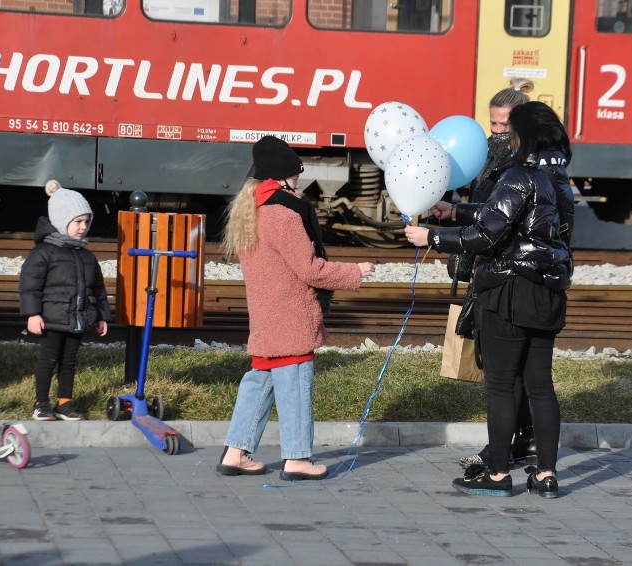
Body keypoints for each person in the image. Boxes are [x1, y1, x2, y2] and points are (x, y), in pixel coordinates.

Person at [405, 101, 574, 497]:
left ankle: (498, 474)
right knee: (541, 386)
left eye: (510, 130)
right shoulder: (559, 177)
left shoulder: (518, 175)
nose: (505, 136)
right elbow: (511, 215)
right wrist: (457, 211)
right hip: (547, 293)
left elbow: (488, 235)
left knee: (500, 385)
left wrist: (431, 236)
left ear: (524, 136)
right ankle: (546, 476)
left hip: (508, 293)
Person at [217, 135, 375, 480]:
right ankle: (298, 459)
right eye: (296, 175)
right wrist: (355, 272)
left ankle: (236, 452)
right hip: (290, 315)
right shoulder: (284, 214)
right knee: (295, 384)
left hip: (265, 314)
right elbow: (311, 270)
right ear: (282, 177)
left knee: (260, 382)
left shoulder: (251, 210)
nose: (299, 181)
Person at [454, 78, 538, 471]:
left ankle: (505, 449)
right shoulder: (488, 156)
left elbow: (496, 219)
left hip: (505, 272)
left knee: (505, 369)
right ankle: (524, 439)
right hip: (487, 265)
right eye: (493, 124)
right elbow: (480, 206)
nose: (498, 132)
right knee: (499, 364)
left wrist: (450, 235)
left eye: (505, 126)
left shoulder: (521, 167)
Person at [19, 180, 111, 421]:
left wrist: (102, 316)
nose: (83, 227)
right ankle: (41, 403)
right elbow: (30, 286)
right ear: (61, 221)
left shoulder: (87, 256)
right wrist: (33, 314)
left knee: (69, 361)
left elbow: (98, 289)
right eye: (77, 222)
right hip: (51, 319)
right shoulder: (44, 253)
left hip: (77, 318)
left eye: (86, 222)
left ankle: (65, 401)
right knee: (48, 360)